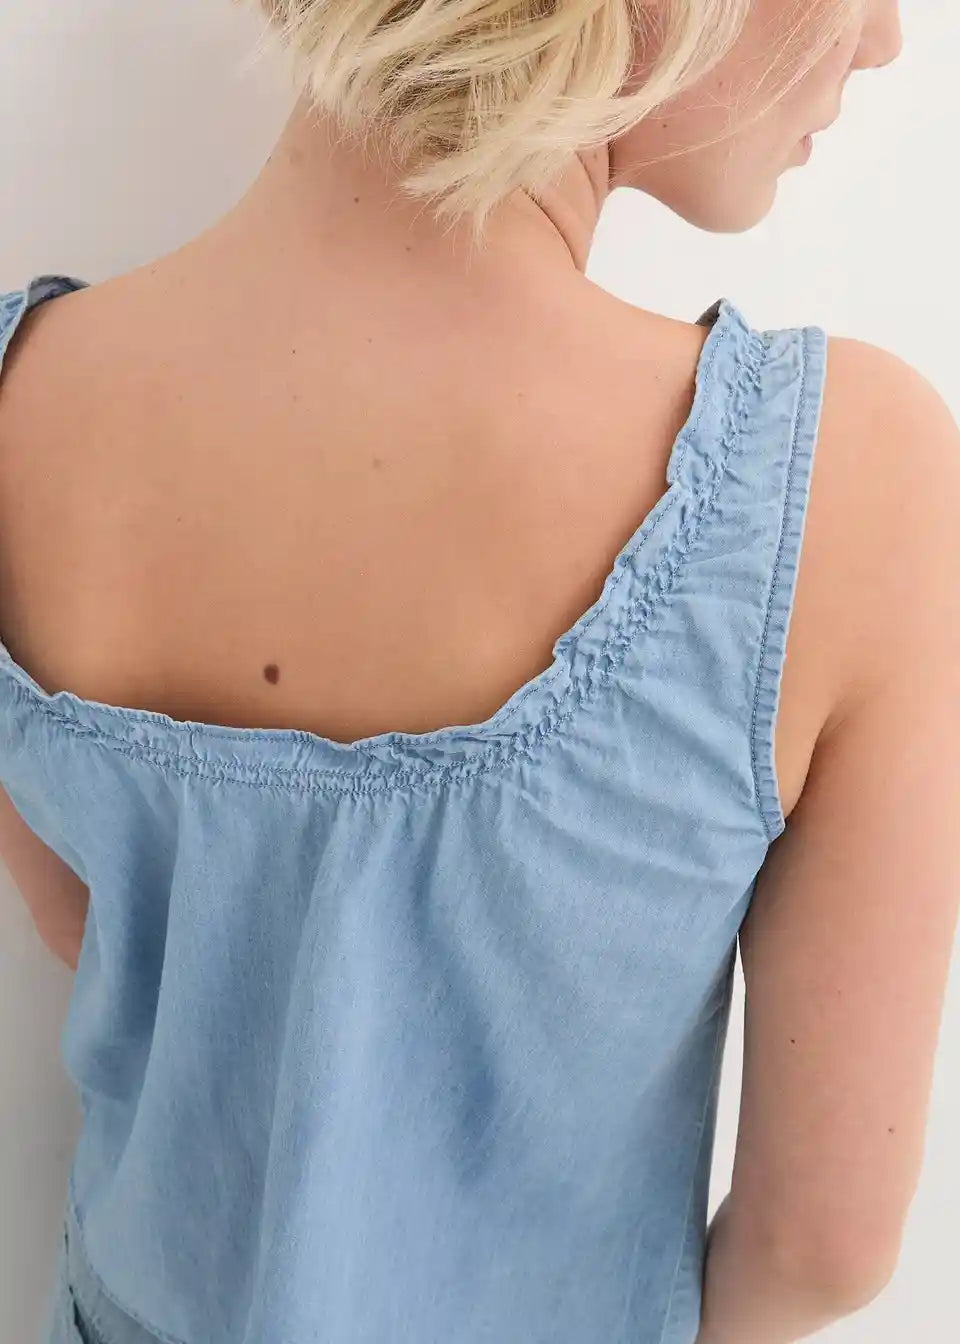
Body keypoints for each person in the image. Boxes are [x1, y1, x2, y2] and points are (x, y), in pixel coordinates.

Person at [0, 0, 956, 1341]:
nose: (883, 39)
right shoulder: (844, 486)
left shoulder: (22, 401)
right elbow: (822, 1244)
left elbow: (96, 932)